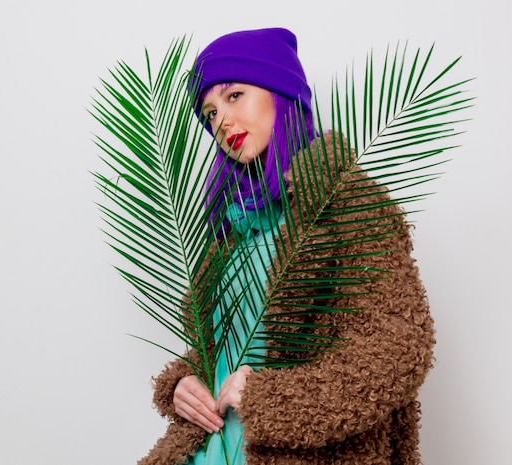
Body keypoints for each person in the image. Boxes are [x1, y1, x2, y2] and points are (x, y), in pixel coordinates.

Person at [137, 27, 435, 465]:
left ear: (281, 91)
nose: (221, 121)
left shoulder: (343, 203)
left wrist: (267, 398)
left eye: (234, 95)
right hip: (206, 452)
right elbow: (232, 347)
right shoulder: (233, 229)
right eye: (210, 112)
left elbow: (399, 350)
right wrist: (181, 384)